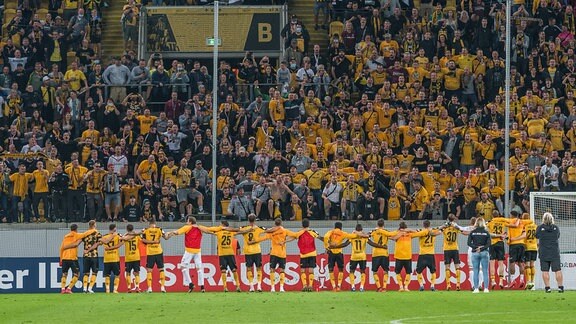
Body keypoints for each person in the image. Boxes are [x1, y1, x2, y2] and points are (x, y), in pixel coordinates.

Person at [166, 216, 215, 293]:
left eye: (187, 221)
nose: (186, 222)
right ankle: (202, 287)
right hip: (198, 251)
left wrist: (169, 233)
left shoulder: (187, 227)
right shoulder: (200, 227)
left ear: (190, 222)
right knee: (199, 268)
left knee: (183, 267)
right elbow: (209, 230)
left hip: (189, 251)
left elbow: (177, 232)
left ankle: (191, 284)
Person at [249, 218, 297, 292]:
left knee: (272, 270)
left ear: (275, 224)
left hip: (274, 253)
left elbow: (262, 238)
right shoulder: (285, 231)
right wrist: (285, 241)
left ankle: (272, 288)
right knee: (282, 270)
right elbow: (295, 236)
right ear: (281, 223)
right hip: (282, 253)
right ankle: (281, 288)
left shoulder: (271, 232)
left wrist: (253, 241)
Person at [284, 218, 324, 292]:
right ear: (309, 224)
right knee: (311, 269)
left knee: (302, 270)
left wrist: (284, 241)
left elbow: (292, 237)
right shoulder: (312, 231)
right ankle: (310, 286)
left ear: (302, 224)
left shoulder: (299, 232)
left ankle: (305, 285)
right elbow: (320, 238)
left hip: (303, 254)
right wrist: (328, 242)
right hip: (312, 253)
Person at [59, 224, 97, 293]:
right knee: (77, 274)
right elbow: (85, 234)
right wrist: (93, 230)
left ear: (70, 229)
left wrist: (61, 259)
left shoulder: (65, 237)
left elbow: (61, 248)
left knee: (64, 274)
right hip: (73, 258)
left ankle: (62, 289)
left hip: (64, 257)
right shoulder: (76, 235)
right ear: (76, 229)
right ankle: (69, 288)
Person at [535, 212, 564, 293]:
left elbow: (536, 236)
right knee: (558, 270)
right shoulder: (556, 227)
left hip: (543, 252)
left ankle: (548, 288)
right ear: (552, 219)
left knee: (545, 271)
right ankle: (560, 287)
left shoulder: (540, 228)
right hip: (554, 252)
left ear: (543, 219)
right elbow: (557, 236)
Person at [238, 214, 267, 292]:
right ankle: (259, 286)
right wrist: (258, 240)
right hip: (257, 251)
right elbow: (268, 232)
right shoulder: (258, 228)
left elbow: (236, 231)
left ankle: (251, 287)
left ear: (248, 219)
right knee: (259, 268)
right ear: (255, 220)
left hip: (248, 252)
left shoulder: (244, 228)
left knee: (249, 268)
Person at [413, 220, 441, 291]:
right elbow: (440, 232)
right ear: (429, 224)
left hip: (422, 254)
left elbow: (414, 233)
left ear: (423, 225)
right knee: (433, 271)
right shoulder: (433, 231)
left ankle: (421, 286)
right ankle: (432, 286)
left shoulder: (421, 231)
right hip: (431, 254)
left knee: (418, 271)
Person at [141, 219, 167, 293]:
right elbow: (165, 237)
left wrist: (151, 242)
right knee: (161, 269)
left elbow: (143, 240)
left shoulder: (145, 230)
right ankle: (162, 287)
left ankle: (149, 288)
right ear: (155, 223)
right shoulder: (159, 229)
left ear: (149, 224)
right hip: (159, 251)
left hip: (150, 253)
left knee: (149, 270)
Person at [369, 219, 395, 292]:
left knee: (374, 271)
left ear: (377, 225)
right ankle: (384, 287)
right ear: (384, 225)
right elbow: (393, 237)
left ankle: (379, 287)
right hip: (384, 254)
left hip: (376, 254)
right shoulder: (386, 232)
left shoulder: (374, 231)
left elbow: (366, 237)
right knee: (386, 271)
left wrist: (373, 231)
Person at [467, 217, 491, 293]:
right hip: (484, 252)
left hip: (475, 252)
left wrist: (476, 247)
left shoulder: (472, 232)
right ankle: (486, 288)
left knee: (475, 271)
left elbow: (469, 243)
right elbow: (489, 243)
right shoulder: (486, 232)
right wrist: (482, 248)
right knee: (485, 271)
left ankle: (476, 288)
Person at [391, 222, 416, 292]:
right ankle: (403, 287)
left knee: (404, 272)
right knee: (403, 272)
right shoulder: (397, 233)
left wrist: (407, 230)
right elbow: (392, 237)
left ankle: (404, 286)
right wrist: (400, 233)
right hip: (401, 256)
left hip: (405, 256)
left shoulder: (409, 233)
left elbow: (417, 232)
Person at [324, 222, 347, 291]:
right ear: (341, 227)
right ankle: (339, 286)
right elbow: (349, 237)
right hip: (339, 253)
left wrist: (327, 247)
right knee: (341, 269)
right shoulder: (342, 233)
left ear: (334, 227)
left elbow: (325, 238)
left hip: (331, 253)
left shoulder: (331, 232)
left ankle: (334, 286)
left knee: (331, 269)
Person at [442, 215, 463, 291]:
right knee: (457, 266)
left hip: (447, 249)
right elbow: (463, 231)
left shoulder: (445, 228)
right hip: (455, 249)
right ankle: (458, 284)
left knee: (447, 267)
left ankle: (448, 285)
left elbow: (439, 230)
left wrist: (444, 225)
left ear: (448, 219)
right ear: (453, 220)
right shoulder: (456, 227)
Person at [100, 224, 122, 293]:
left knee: (107, 275)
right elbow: (121, 243)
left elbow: (100, 243)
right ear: (114, 229)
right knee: (117, 275)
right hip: (115, 258)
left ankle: (107, 290)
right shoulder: (118, 236)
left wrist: (108, 248)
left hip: (107, 259)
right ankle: (115, 290)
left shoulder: (104, 236)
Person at [81, 220, 101, 293]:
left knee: (86, 273)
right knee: (94, 272)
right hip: (94, 255)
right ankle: (90, 288)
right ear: (94, 225)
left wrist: (86, 250)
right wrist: (89, 250)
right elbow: (97, 243)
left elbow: (79, 241)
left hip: (86, 255)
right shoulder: (97, 233)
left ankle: (84, 289)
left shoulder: (85, 233)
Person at [122, 224, 142, 292]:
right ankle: (137, 287)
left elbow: (122, 238)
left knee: (128, 273)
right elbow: (142, 239)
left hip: (128, 257)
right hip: (136, 256)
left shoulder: (126, 236)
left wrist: (127, 233)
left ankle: (129, 288)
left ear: (127, 229)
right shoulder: (136, 236)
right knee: (137, 273)